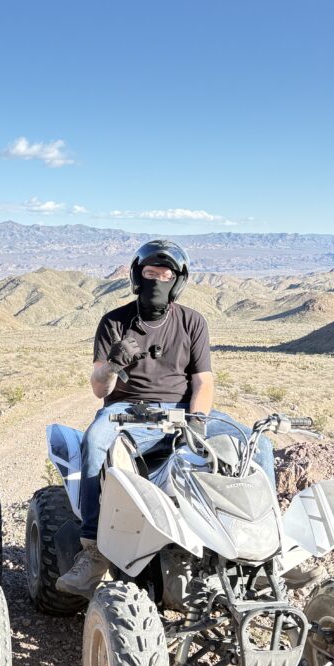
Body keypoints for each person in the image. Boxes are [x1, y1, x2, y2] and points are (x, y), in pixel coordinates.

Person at [55, 239, 283, 598]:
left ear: (177, 282)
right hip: (127, 412)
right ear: (137, 276)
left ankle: (270, 547)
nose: (157, 281)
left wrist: (197, 418)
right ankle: (94, 551)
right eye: (150, 274)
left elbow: (203, 381)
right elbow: (100, 389)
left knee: (260, 445)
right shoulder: (114, 322)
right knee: (94, 441)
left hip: (183, 410)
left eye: (165, 275)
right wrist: (114, 363)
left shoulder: (193, 322)